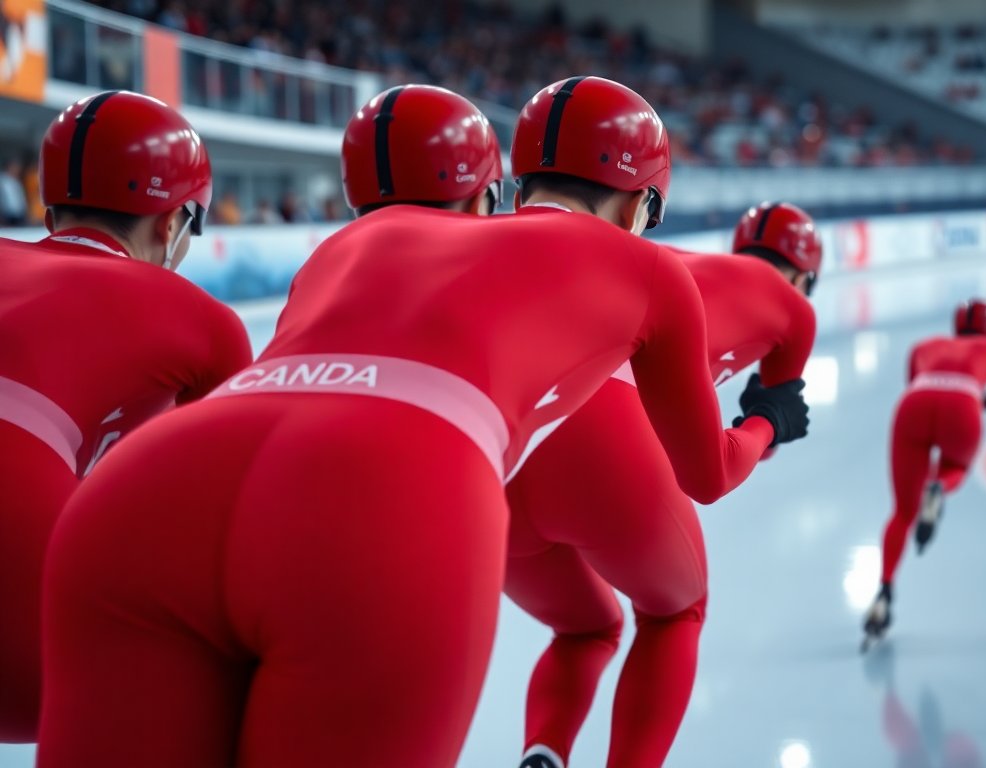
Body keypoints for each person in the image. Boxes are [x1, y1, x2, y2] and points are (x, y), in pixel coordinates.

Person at [38, 79, 807, 768]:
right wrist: (767, 422)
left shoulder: (357, 241)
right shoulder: (651, 267)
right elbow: (706, 474)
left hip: (153, 483)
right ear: (644, 205)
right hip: (402, 478)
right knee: (675, 606)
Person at [506, 201, 820, 768]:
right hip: (606, 442)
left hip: (509, 441)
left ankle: (543, 751)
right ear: (804, 278)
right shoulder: (794, 310)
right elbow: (765, 431)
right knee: (676, 611)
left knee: (585, 628)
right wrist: (765, 421)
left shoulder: (659, 257)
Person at [0, 90, 250, 743]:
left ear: (48, 209)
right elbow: (224, 516)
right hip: (29, 665)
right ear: (170, 226)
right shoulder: (201, 322)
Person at [863, 298, 986, 651]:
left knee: (902, 513)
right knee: (956, 466)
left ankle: (884, 592)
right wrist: (981, 400)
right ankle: (939, 487)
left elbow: (914, 382)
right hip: (963, 404)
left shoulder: (924, 346)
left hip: (915, 404)